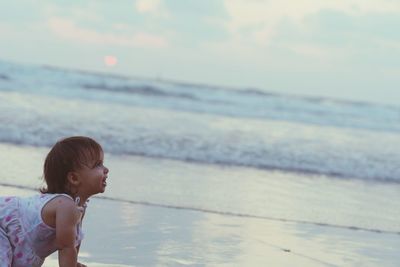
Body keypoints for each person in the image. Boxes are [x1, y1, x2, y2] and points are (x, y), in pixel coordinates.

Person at [0, 136, 109, 267]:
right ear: (74, 178)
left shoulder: (78, 208)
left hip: (15, 240)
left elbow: (72, 242)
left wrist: (73, 264)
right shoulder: (65, 206)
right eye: (98, 164)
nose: (106, 169)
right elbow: (66, 248)